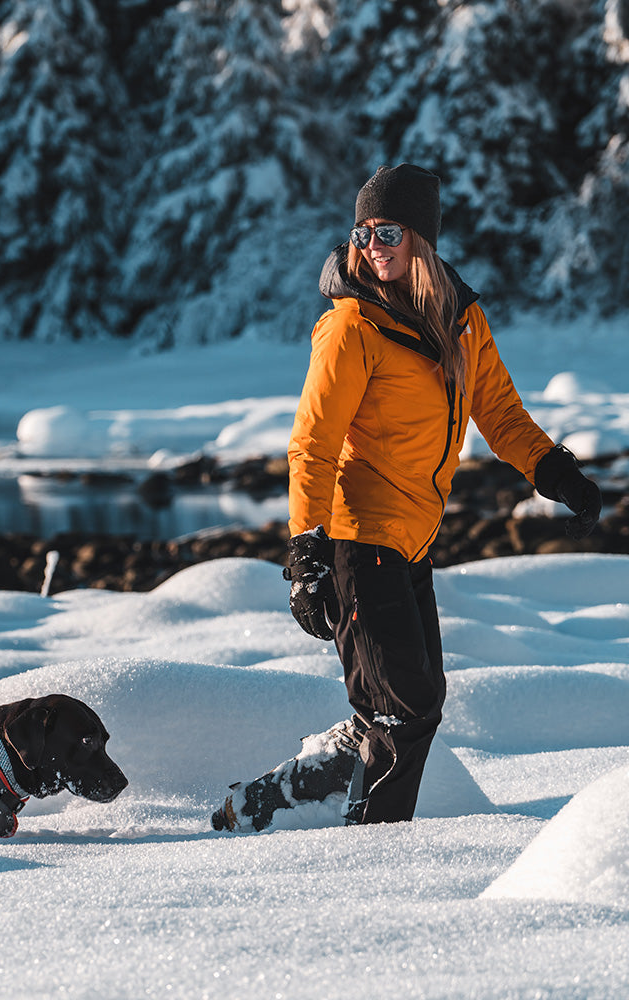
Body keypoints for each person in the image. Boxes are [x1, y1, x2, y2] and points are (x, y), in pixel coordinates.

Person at [213, 163, 602, 831]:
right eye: (361, 232)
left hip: (409, 541)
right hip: (357, 542)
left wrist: (557, 473)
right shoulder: (352, 327)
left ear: (421, 238)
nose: (372, 246)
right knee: (406, 707)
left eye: (387, 231)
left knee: (413, 705)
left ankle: (274, 798)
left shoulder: (460, 320)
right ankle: (373, 850)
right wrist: (306, 551)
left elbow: (500, 411)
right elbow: (313, 445)